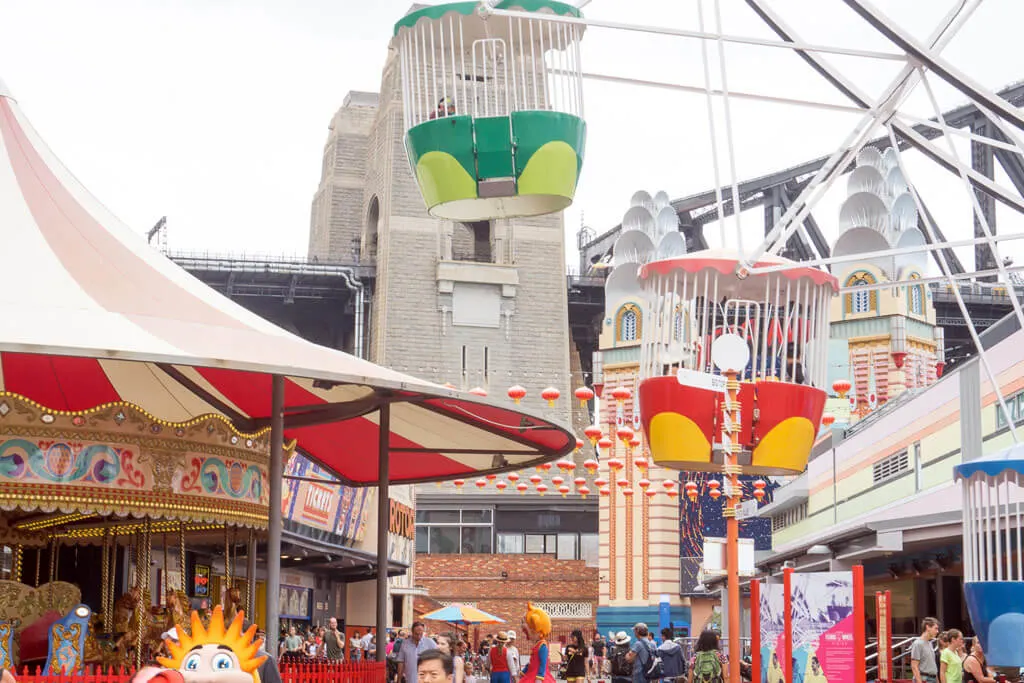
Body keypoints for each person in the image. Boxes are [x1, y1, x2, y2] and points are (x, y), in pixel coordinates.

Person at [519, 603, 557, 683]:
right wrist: (523, 672)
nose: (528, 633)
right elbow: (531, 663)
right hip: (531, 675)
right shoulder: (537, 645)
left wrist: (539, 678)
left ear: (537, 631)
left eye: (530, 630)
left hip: (539, 677)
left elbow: (543, 663)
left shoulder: (542, 646)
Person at [912, 618, 941, 683]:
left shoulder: (929, 643)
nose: (937, 631)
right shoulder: (917, 643)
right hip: (924, 679)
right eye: (935, 628)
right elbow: (914, 666)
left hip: (932, 678)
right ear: (927, 627)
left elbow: (932, 665)